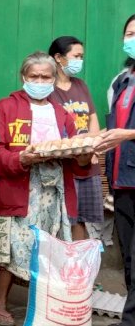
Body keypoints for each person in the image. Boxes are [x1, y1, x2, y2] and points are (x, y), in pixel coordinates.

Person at [0, 51, 90, 326]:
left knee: (46, 245)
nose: (40, 81)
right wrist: (21, 159)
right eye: (34, 76)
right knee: (12, 244)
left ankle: (42, 302)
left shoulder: (61, 114)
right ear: (24, 77)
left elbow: (76, 158)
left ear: (54, 79)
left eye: (46, 76)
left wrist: (82, 155)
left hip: (52, 192)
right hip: (19, 187)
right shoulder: (6, 107)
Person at [96, 14, 135, 326]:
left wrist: (129, 133)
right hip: (123, 179)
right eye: (130, 33)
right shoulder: (122, 81)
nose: (132, 38)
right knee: (127, 257)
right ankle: (130, 317)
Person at [48, 36, 104, 240]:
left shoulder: (81, 85)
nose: (80, 61)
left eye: (82, 56)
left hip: (87, 161)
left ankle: (77, 269)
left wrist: (94, 147)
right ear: (58, 58)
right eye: (76, 56)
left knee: (81, 218)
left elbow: (92, 117)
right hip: (63, 164)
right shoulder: (48, 88)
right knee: (63, 217)